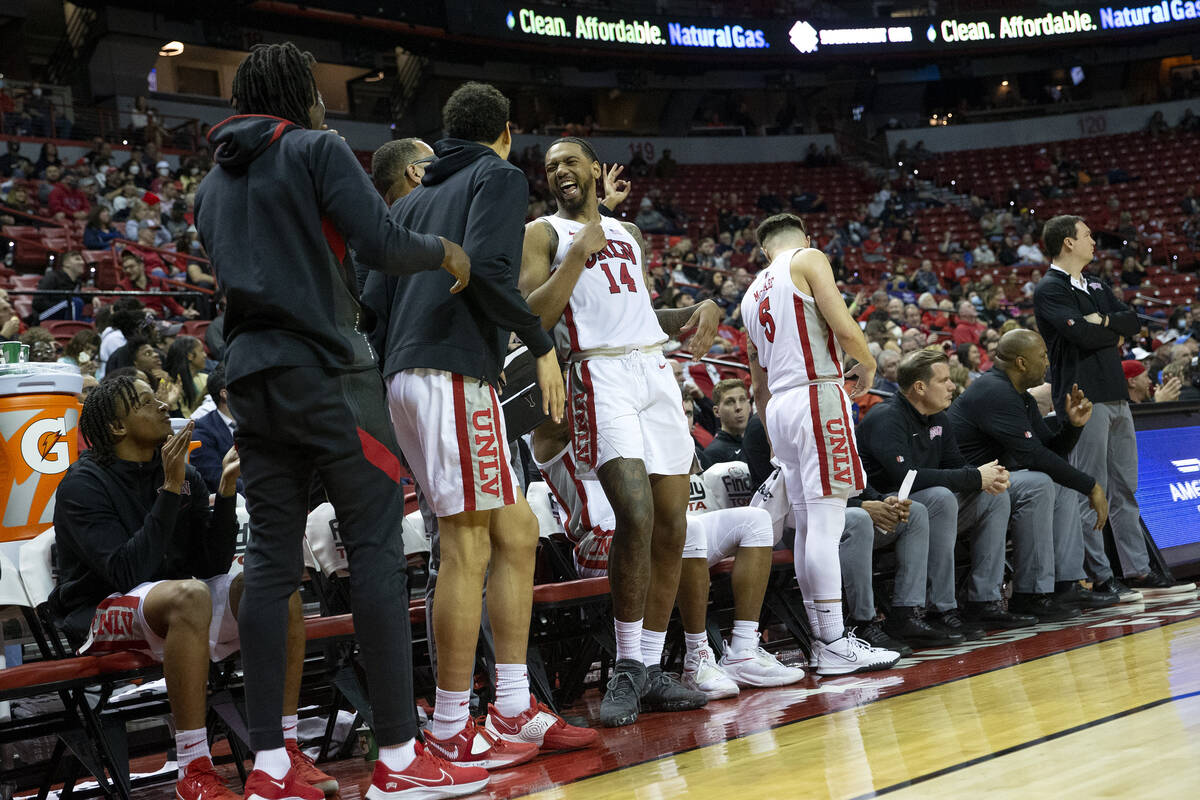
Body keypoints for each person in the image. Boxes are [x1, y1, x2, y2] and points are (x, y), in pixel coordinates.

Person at [194, 42, 487, 799]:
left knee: (270, 569)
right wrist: (446, 251)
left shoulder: (207, 189)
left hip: (249, 383)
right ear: (298, 93)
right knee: (376, 552)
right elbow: (383, 245)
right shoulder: (316, 148)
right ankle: (396, 756)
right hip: (327, 374)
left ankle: (269, 765)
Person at [361, 82, 591, 766]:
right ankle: (452, 725)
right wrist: (542, 346)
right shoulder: (494, 175)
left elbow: (374, 298)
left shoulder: (416, 196)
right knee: (466, 544)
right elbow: (493, 273)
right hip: (450, 373)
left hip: (411, 374)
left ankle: (514, 705)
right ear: (507, 134)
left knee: (515, 528)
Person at [48, 376, 337, 800]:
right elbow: (127, 572)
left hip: (180, 605)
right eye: (146, 403)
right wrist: (168, 489)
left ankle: (283, 749)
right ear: (116, 428)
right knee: (190, 594)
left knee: (273, 590)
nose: (164, 406)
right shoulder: (82, 484)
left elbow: (211, 564)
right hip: (100, 612)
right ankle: (194, 768)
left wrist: (224, 491)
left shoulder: (183, 476)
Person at [519, 135, 721, 725]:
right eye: (550, 165)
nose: (559, 170)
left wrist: (699, 309)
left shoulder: (628, 234)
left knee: (672, 522)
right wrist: (579, 250)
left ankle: (650, 667)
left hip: (653, 371)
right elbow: (532, 315)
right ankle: (626, 667)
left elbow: (641, 314)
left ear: (591, 169)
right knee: (634, 514)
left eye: (569, 161)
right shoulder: (544, 233)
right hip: (596, 374)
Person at [531, 415, 803, 700]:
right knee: (690, 529)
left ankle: (742, 653)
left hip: (655, 531)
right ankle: (697, 656)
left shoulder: (626, 409)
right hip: (596, 541)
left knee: (754, 521)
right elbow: (585, 410)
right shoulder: (552, 429)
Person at [739, 212, 901, 674]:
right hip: (815, 394)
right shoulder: (808, 259)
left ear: (763, 249)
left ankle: (824, 639)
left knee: (810, 528)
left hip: (779, 409)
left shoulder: (751, 295)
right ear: (805, 239)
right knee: (825, 529)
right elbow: (843, 323)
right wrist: (867, 364)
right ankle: (832, 640)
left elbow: (758, 380)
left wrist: (774, 436)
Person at [1034, 215, 1195, 599]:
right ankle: (1099, 576)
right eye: (1087, 234)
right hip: (1081, 398)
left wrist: (1104, 319)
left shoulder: (1095, 284)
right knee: (1092, 488)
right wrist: (1109, 328)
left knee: (1125, 488)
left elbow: (1132, 322)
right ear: (1068, 243)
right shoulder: (1049, 289)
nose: (1094, 240)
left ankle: (1138, 570)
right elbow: (1082, 336)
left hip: (1116, 394)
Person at [857, 349, 1038, 630]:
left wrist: (986, 477)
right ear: (919, 387)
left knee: (993, 495)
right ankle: (935, 608)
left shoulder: (939, 418)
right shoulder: (887, 417)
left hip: (922, 510)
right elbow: (907, 477)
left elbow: (957, 466)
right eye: (944, 381)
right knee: (941, 497)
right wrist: (975, 477)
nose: (953, 386)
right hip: (885, 512)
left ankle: (984, 600)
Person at [949, 330, 1118, 618]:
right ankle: (1031, 593)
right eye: (1042, 357)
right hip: (965, 487)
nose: (1047, 363)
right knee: (1040, 483)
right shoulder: (994, 391)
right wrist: (1091, 487)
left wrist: (1073, 426)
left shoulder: (1019, 396)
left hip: (995, 483)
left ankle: (1065, 584)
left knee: (1057, 482)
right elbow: (1033, 456)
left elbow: (1048, 450)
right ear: (1021, 363)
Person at [191, 364, 242, 496]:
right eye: (243, 386)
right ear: (225, 394)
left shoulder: (255, 422)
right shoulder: (201, 431)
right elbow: (217, 478)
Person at [702, 378, 750, 464]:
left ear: (749, 406)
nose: (738, 407)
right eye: (730, 402)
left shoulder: (758, 442)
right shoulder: (713, 453)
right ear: (717, 411)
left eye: (742, 400)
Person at [33, 250, 86, 321]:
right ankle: (73, 328)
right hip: (43, 316)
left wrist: (93, 298)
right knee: (74, 302)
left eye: (82, 259)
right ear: (66, 263)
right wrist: (60, 305)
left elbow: (81, 297)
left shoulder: (77, 283)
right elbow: (37, 302)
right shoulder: (52, 277)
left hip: (64, 313)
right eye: (77, 259)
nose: (82, 262)